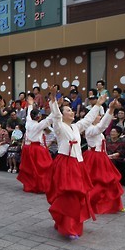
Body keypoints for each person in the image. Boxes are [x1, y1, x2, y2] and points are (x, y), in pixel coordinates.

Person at [46, 86, 106, 239]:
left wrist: (98, 105)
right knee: (68, 196)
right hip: (65, 163)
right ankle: (67, 226)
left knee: (78, 196)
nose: (71, 112)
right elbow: (56, 116)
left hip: (77, 164)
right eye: (68, 110)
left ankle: (69, 223)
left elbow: (87, 120)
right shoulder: (59, 126)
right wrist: (53, 99)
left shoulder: (76, 127)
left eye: (72, 110)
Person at [85, 99, 124, 214]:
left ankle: (110, 204)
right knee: (97, 182)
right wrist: (111, 109)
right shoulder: (90, 129)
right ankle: (91, 203)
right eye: (97, 115)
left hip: (101, 156)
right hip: (94, 157)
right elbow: (102, 126)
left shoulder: (95, 129)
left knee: (109, 180)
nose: (99, 117)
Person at [17, 96, 53, 193]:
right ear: (38, 116)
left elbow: (29, 114)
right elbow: (49, 119)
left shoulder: (28, 123)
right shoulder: (38, 125)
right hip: (36, 148)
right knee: (39, 168)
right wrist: (55, 108)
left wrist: (31, 104)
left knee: (30, 167)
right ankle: (39, 186)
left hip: (27, 147)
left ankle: (29, 184)